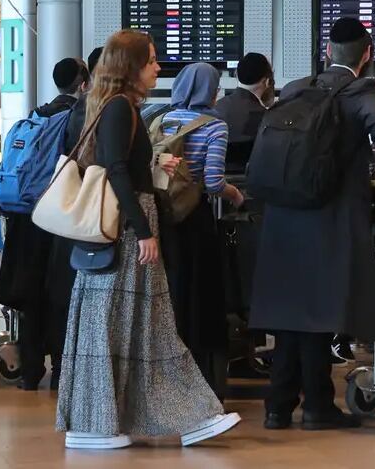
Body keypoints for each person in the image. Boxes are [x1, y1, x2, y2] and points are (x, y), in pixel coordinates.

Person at [56, 30, 239, 450]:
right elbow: (117, 169)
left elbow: (117, 164)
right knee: (140, 326)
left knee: (134, 327)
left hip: (120, 228)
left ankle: (168, 417)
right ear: (132, 67)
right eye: (152, 60)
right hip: (126, 228)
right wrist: (143, 231)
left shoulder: (117, 107)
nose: (158, 68)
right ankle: (180, 417)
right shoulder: (121, 109)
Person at [250, 16, 375, 431]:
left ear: (328, 52)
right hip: (328, 212)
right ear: (366, 56)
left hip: (283, 213)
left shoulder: (297, 88)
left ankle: (278, 405)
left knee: (291, 312)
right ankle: (317, 408)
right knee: (318, 313)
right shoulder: (362, 90)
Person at [0, 57, 91, 391]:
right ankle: (63, 371)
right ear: (82, 84)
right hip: (56, 216)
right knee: (58, 294)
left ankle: (30, 371)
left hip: (24, 216)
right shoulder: (75, 118)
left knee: (30, 294)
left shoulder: (34, 116)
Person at [162, 62, 244, 400]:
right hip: (195, 221)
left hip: (164, 219)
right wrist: (235, 195)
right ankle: (200, 381)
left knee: (171, 297)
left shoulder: (161, 118)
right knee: (202, 301)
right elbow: (212, 183)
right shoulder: (215, 126)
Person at [42, 47, 104, 391]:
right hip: (90, 214)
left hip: (63, 211)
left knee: (66, 293)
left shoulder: (56, 112)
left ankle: (63, 369)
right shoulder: (96, 109)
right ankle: (76, 375)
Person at [214, 52, 274, 174]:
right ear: (267, 82)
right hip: (253, 181)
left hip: (217, 179)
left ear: (236, 75)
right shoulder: (267, 118)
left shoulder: (216, 109)